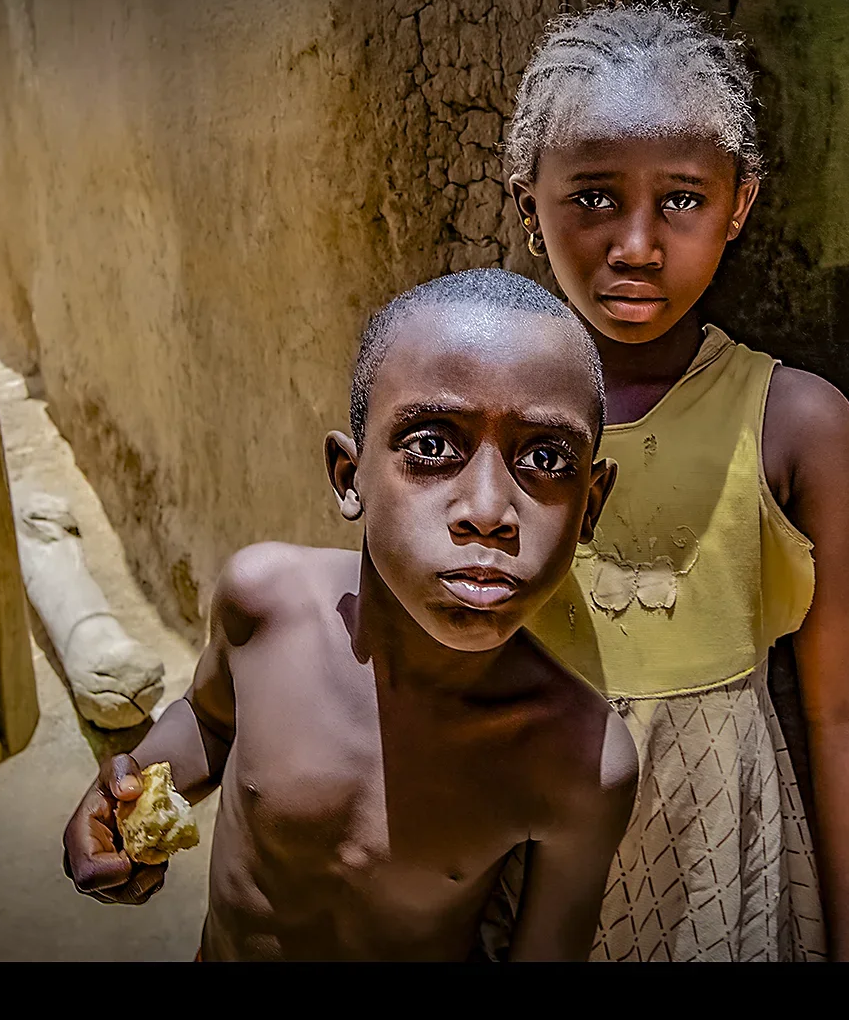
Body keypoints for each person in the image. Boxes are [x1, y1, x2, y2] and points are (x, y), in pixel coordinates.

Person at [60, 269, 640, 961]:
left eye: (546, 457)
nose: (488, 510)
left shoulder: (577, 759)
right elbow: (213, 722)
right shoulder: (266, 603)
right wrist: (120, 801)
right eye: (431, 445)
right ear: (349, 474)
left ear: (591, 504)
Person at [495, 0, 849, 962]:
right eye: (592, 196)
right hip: (511, 859)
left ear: (740, 202)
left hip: (718, 879)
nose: (635, 244)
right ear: (527, 201)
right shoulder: (475, 413)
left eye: (681, 198)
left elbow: (846, 709)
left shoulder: (794, 423)